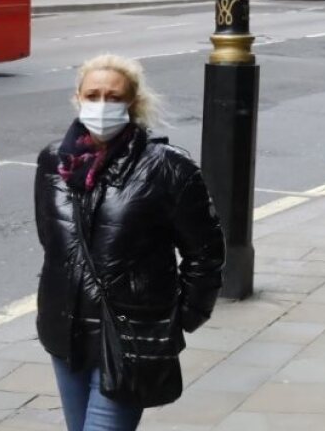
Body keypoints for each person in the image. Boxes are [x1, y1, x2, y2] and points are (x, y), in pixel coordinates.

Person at [34, 54, 225, 431]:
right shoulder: (53, 162)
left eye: (113, 97)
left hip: (128, 339)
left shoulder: (168, 168)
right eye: (93, 95)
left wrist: (179, 320)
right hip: (66, 334)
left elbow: (205, 255)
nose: (101, 105)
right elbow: (53, 242)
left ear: (133, 104)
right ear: (78, 98)